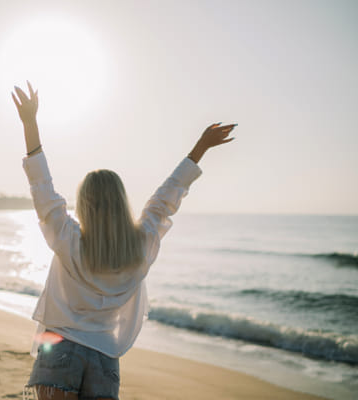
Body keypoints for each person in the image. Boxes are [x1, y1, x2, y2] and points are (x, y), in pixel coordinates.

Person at [12, 81, 236, 400]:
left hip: (59, 348)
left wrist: (30, 123)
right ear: (121, 203)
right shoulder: (139, 248)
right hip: (105, 357)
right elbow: (167, 198)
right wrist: (201, 147)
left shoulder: (69, 239)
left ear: (84, 205)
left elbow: (41, 186)